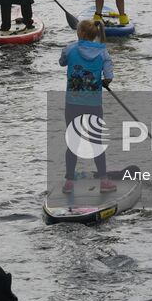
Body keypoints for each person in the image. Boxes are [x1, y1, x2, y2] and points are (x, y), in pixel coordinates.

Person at [59, 19, 116, 193]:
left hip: (72, 104)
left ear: (81, 33)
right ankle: (104, 181)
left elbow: (62, 62)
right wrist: (104, 81)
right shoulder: (103, 52)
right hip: (93, 105)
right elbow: (109, 76)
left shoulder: (70, 49)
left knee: (73, 142)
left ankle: (69, 182)